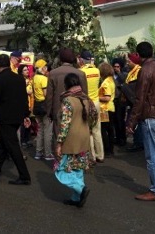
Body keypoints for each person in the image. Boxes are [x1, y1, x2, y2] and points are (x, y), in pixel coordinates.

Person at [127, 42, 155, 201]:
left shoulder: (145, 70)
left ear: (138, 55)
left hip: (152, 116)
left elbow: (139, 99)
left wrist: (131, 122)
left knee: (152, 155)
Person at [0, 54, 31, 185]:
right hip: (17, 117)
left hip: (5, 118)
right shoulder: (19, 79)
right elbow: (24, 98)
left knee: (13, 147)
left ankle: (24, 176)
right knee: (3, 145)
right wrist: (26, 114)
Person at [55, 73, 98, 208]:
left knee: (61, 170)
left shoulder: (68, 101)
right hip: (84, 138)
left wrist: (59, 143)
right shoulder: (86, 99)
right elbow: (94, 118)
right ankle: (76, 198)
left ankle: (80, 188)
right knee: (78, 169)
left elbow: (65, 124)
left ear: (66, 85)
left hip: (71, 139)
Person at [46, 48, 88, 137]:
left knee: (59, 138)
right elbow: (85, 94)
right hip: (77, 110)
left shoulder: (53, 73)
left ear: (60, 59)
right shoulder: (80, 73)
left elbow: (49, 96)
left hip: (58, 110)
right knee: (75, 137)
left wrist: (49, 112)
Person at [78, 50, 103, 162]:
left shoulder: (80, 72)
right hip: (97, 102)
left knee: (87, 130)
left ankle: (91, 156)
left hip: (86, 102)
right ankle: (100, 155)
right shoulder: (97, 70)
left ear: (82, 60)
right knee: (97, 129)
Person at [33, 59, 53, 161]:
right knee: (47, 130)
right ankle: (48, 153)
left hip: (36, 106)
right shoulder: (44, 79)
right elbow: (46, 95)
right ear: (43, 68)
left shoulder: (35, 78)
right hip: (45, 106)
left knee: (40, 130)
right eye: (45, 66)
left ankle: (38, 152)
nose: (47, 68)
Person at [124, 52, 144, 152]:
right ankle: (138, 142)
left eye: (129, 61)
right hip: (131, 101)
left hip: (135, 101)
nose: (127, 63)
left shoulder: (139, 71)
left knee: (137, 123)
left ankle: (139, 143)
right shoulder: (131, 71)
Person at [98, 62, 116, 157]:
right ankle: (111, 149)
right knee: (110, 130)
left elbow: (107, 97)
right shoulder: (111, 80)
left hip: (105, 108)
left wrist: (96, 97)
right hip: (111, 108)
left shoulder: (105, 83)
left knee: (103, 130)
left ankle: (107, 149)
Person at [112, 58, 127, 146]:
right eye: (114, 66)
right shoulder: (111, 76)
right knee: (115, 120)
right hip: (114, 100)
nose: (116, 68)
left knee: (121, 120)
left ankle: (123, 138)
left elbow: (124, 81)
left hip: (121, 100)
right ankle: (117, 138)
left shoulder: (123, 74)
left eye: (117, 66)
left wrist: (119, 73)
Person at [18, 64, 34, 148]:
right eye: (24, 70)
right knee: (23, 123)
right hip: (23, 104)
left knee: (29, 123)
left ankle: (28, 139)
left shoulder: (30, 80)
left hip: (30, 104)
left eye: (27, 69)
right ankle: (23, 140)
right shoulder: (19, 80)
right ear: (21, 72)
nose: (27, 71)